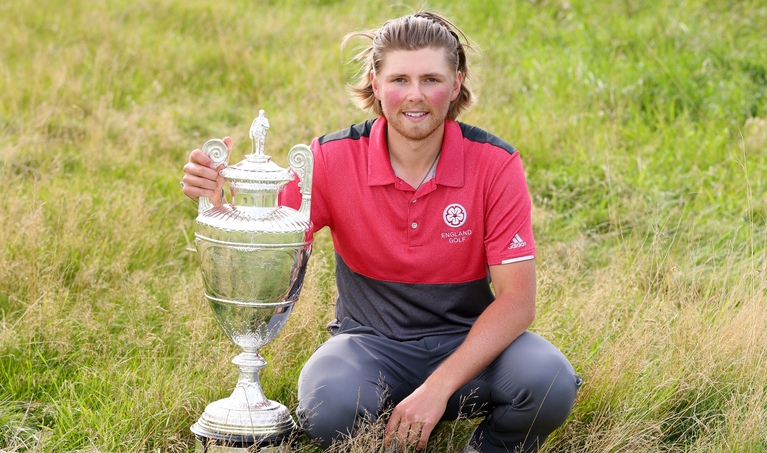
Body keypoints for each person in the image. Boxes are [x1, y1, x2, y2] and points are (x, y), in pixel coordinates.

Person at [182, 11, 580, 453]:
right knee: (326, 403)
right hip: (369, 345)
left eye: (431, 79)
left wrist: (438, 388)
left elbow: (517, 301)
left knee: (550, 382)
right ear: (375, 81)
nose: (415, 96)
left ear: (456, 83)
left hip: (468, 345)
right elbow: (269, 240)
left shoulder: (495, 164)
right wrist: (219, 204)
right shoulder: (331, 159)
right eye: (399, 80)